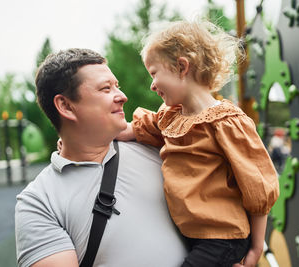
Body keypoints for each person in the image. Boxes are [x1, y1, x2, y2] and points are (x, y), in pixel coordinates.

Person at [116, 20, 280, 267]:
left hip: (223, 237)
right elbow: (133, 129)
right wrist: (90, 137)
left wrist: (257, 247)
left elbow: (258, 186)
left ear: (182, 67)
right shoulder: (170, 117)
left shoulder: (226, 122)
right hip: (194, 235)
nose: (151, 84)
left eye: (153, 73)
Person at [15, 48, 187, 267]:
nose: (122, 97)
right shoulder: (39, 202)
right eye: (106, 89)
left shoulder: (160, 147)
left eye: (117, 86)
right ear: (66, 106)